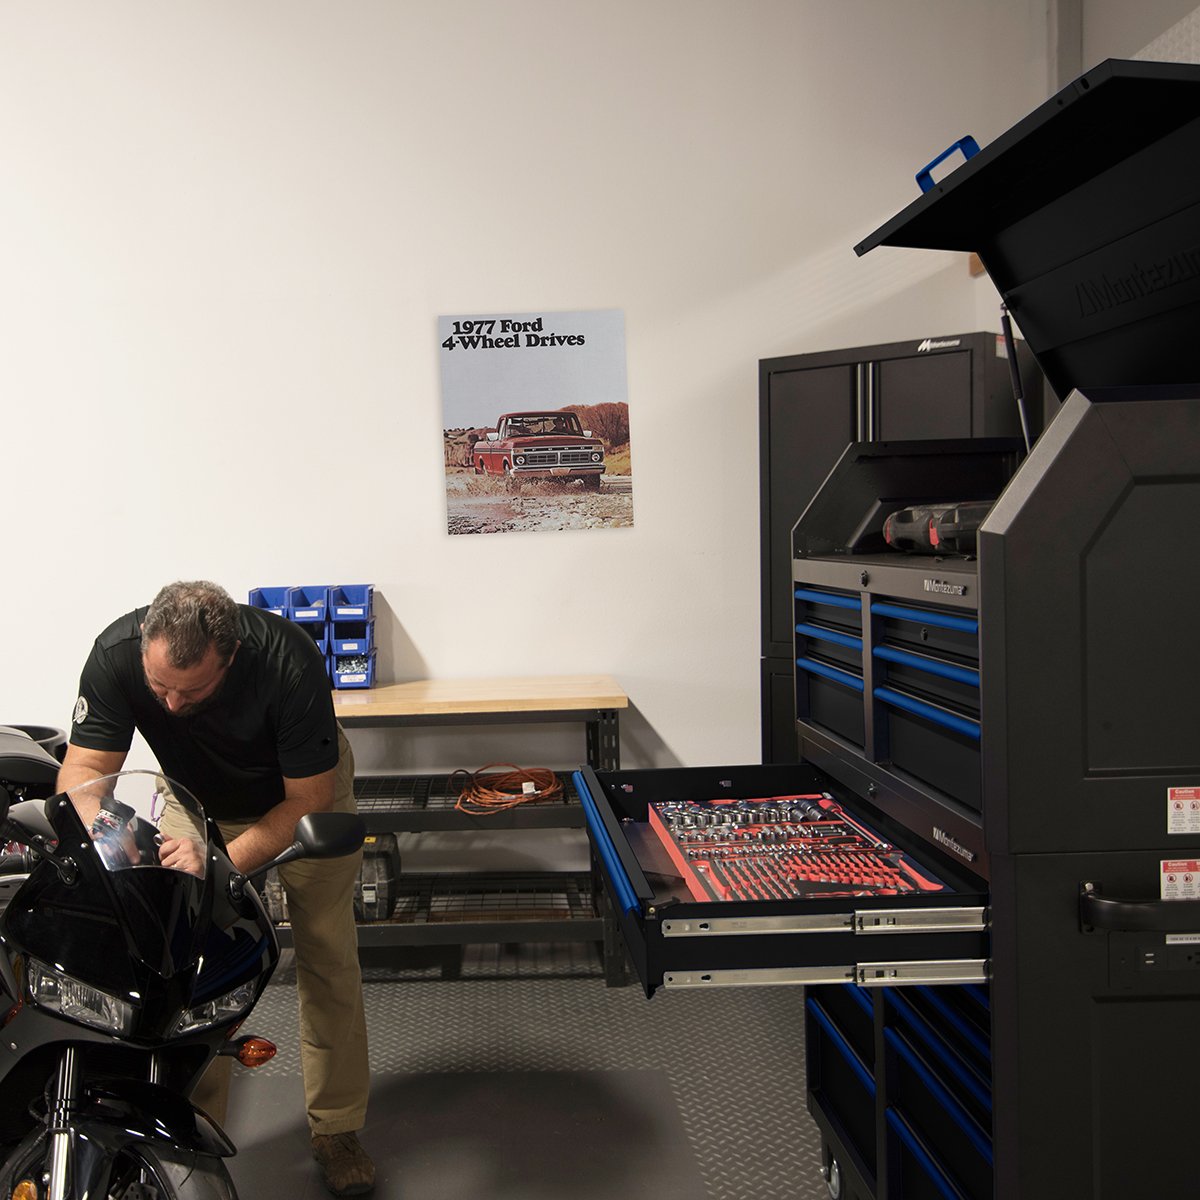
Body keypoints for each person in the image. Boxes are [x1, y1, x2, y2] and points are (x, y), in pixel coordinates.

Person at [58, 580, 374, 1197]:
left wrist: (220, 861)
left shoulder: (289, 660)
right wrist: (104, 833)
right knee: (190, 967)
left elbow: (304, 802)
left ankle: (336, 1127)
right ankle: (190, 1126)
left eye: (193, 690)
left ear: (226, 660)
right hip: (195, 800)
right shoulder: (119, 652)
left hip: (299, 798)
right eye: (159, 690)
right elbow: (86, 769)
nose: (171, 706)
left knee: (327, 953)